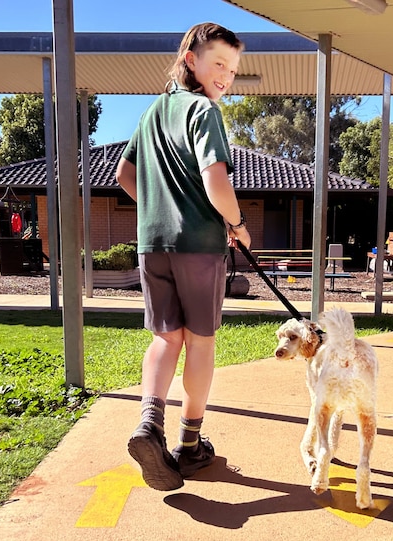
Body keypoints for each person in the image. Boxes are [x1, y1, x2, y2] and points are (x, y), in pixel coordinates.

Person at [115, 22, 251, 491]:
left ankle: (147, 425)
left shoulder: (152, 113)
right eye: (219, 64)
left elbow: (124, 175)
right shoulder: (203, 111)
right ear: (190, 58)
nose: (226, 77)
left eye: (232, 70)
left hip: (152, 245)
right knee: (201, 342)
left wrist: (160, 208)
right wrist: (236, 224)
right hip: (198, 246)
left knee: (164, 338)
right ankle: (189, 446)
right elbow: (217, 181)